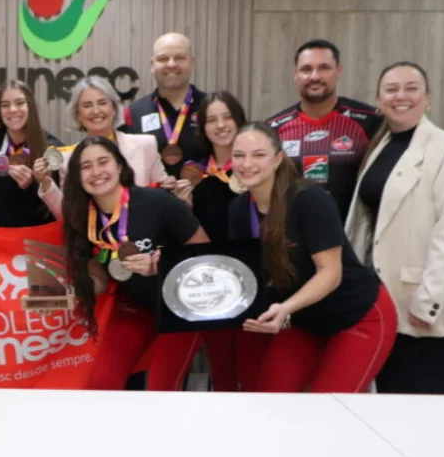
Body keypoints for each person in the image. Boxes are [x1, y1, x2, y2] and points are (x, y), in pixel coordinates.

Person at [229, 123, 397, 393]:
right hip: (305, 320)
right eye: (239, 155)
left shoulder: (310, 200)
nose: (247, 164)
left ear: (278, 159)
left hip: (357, 313)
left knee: (329, 406)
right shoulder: (239, 209)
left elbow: (330, 273)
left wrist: (285, 308)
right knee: (270, 400)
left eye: (259, 155)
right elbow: (248, 273)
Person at [346, 62, 444, 395]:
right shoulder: (381, 146)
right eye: (391, 89)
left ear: (427, 97)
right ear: (379, 99)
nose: (400, 96)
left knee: (437, 412)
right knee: (395, 406)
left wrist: (430, 299)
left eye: (411, 88)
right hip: (386, 305)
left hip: (429, 311)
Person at [62, 136, 210, 390]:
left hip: (185, 306)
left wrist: (161, 264)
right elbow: (99, 281)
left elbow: (207, 258)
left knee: (161, 387)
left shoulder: (158, 202)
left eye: (103, 162)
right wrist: (68, 293)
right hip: (138, 306)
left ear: (120, 166)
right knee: (101, 383)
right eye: (86, 166)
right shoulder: (81, 217)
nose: (96, 172)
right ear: (77, 176)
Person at [183, 91, 270, 392]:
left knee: (254, 369)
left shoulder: (255, 169)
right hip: (214, 284)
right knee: (221, 370)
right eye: (212, 120)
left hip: (257, 279)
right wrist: (183, 208)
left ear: (239, 120)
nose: (220, 125)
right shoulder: (193, 174)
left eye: (227, 117)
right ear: (203, 128)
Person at [266, 39, 381, 221]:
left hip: (353, 232)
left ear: (339, 71)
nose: (315, 76)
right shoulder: (273, 128)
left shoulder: (371, 121)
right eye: (306, 69)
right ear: (295, 74)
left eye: (324, 68)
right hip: (294, 232)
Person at [37, 76, 173, 220]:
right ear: (78, 115)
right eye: (87, 105)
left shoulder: (145, 145)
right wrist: (46, 183)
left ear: (114, 108)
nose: (96, 111)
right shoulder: (68, 158)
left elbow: (164, 193)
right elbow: (67, 215)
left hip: (142, 229)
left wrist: (173, 188)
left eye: (102, 103)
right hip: (94, 233)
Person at [0, 80, 62, 227]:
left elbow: (60, 210)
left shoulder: (52, 150)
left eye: (20, 103)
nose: (13, 110)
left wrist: (34, 185)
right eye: (5, 105)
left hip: (37, 238)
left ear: (30, 106)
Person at [121, 32, 207, 177]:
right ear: (152, 64)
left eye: (180, 57)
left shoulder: (211, 108)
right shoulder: (133, 113)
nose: (171, 64)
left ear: (191, 62)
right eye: (163, 58)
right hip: (151, 192)